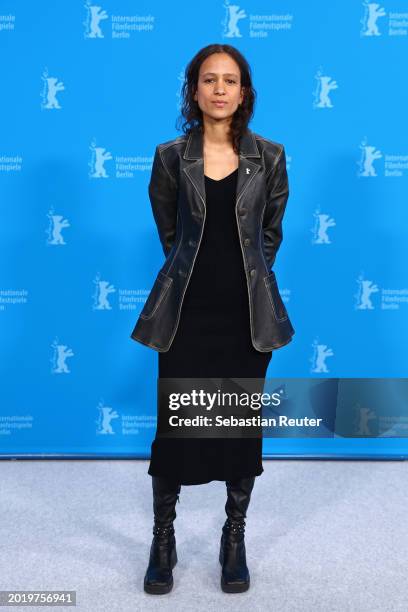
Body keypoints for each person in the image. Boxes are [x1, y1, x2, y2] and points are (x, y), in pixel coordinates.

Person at [130, 43, 295, 594]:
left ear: (244, 92)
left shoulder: (270, 156)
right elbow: (170, 234)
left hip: (247, 317)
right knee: (175, 430)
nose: (220, 89)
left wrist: (243, 279)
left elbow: (268, 236)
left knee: (241, 432)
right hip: (186, 315)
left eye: (230, 80)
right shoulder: (171, 157)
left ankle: (234, 536)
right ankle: (163, 537)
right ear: (193, 90)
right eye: (209, 79)